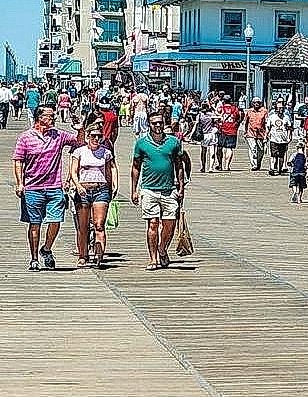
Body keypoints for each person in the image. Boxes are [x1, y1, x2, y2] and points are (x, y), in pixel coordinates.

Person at [12, 106, 84, 270]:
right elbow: (18, 161)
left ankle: (46, 248)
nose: (54, 118)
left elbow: (79, 142)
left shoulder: (58, 135)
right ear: (39, 117)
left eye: (54, 115)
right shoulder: (25, 137)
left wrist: (80, 129)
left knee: (55, 220)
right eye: (50, 116)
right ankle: (34, 258)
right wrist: (20, 183)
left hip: (54, 187)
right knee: (35, 224)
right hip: (32, 188)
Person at [131, 111, 185, 271]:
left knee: (170, 224)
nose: (158, 125)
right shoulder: (141, 143)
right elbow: (136, 167)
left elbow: (179, 165)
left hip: (169, 189)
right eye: (154, 123)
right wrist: (134, 190)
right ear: (149, 124)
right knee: (153, 223)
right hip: (149, 189)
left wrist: (181, 187)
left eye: (160, 122)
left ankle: (162, 248)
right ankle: (153, 258)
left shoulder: (173, 142)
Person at [69, 125, 118, 268]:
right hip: (83, 190)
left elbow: (111, 168)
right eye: (93, 136)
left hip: (100, 190)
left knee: (99, 224)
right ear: (87, 137)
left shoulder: (106, 152)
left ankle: (99, 255)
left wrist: (114, 184)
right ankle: (83, 255)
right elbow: (73, 171)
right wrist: (78, 185)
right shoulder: (79, 152)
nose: (96, 138)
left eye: (99, 136)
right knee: (83, 227)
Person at [266, 99, 292, 175]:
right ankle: (272, 168)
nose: (280, 110)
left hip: (283, 139)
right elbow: (268, 127)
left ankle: (280, 169)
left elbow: (289, 128)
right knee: (273, 154)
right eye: (279, 108)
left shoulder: (286, 117)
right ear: (276, 109)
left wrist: (289, 137)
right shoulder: (272, 117)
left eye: (282, 108)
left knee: (281, 155)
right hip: (274, 138)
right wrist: (266, 135)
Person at [243, 97, 268, 172]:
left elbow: (266, 123)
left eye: (258, 102)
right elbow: (246, 122)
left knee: (261, 151)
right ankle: (254, 165)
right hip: (250, 133)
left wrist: (266, 134)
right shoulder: (249, 111)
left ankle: (258, 163)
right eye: (254, 102)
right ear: (252, 103)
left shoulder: (264, 111)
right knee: (253, 148)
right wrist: (245, 132)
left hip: (261, 134)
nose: (256, 104)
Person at [217, 95, 241, 171]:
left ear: (223, 101)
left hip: (222, 130)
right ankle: (227, 166)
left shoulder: (220, 108)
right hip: (232, 130)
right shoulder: (235, 109)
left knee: (219, 147)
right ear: (230, 100)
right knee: (229, 148)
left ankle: (220, 165)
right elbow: (238, 118)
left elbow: (216, 117)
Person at [195, 102, 218, 172]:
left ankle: (203, 167)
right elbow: (217, 120)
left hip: (204, 135)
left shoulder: (199, 115)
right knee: (212, 151)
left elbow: (196, 125)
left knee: (203, 151)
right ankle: (211, 167)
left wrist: (191, 135)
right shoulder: (212, 115)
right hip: (212, 134)